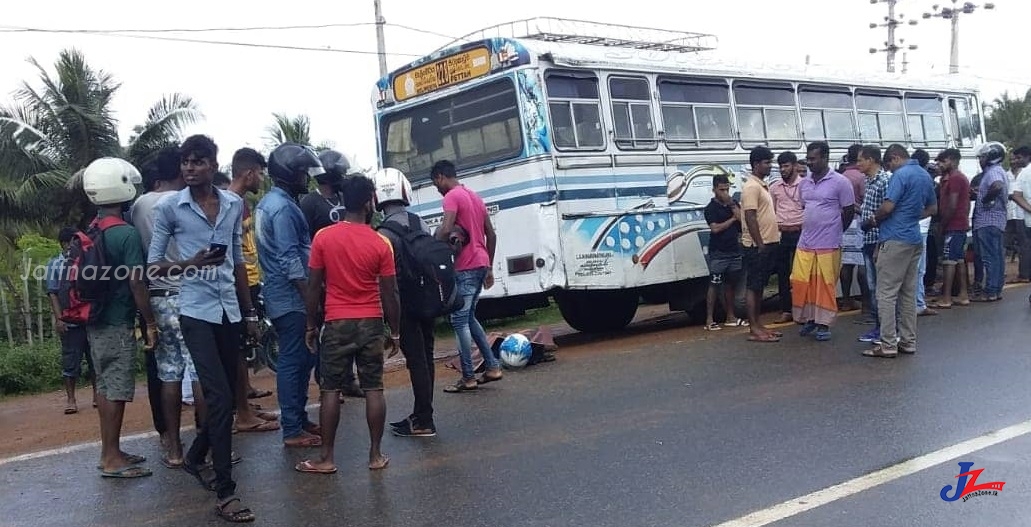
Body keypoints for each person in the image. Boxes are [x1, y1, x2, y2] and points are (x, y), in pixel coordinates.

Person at [148, 135, 258, 522]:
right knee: (220, 398)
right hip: (194, 311)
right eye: (185, 163)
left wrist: (250, 314)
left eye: (197, 162)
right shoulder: (169, 209)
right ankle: (227, 492)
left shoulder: (232, 204)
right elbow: (154, 267)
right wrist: (191, 263)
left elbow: (239, 262)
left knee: (228, 393)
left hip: (229, 310)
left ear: (213, 165)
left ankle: (196, 456)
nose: (189, 168)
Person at [297, 175, 402, 474]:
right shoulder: (381, 243)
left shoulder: (323, 238)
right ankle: (375, 455)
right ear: (370, 201)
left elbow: (313, 286)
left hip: (336, 321)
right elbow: (389, 293)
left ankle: (327, 458)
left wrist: (310, 325)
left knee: (330, 390)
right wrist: (394, 331)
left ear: (343, 201)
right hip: (370, 322)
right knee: (373, 389)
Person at [81, 157, 159, 478]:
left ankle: (109, 451)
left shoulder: (93, 227)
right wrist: (150, 322)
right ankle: (112, 458)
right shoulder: (125, 234)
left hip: (95, 321)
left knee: (104, 384)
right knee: (116, 388)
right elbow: (137, 281)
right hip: (116, 322)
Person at [129, 145, 207, 467]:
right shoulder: (183, 203)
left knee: (170, 373)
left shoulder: (138, 206)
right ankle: (207, 447)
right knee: (202, 371)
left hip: (158, 296)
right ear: (180, 168)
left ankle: (174, 449)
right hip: (190, 293)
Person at [256, 143, 323, 448]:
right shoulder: (282, 208)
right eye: (301, 172)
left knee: (304, 357)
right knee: (294, 359)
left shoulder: (273, 202)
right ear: (289, 173)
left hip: (284, 294)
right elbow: (289, 258)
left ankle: (299, 418)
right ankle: (292, 427)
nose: (306, 178)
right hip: (291, 296)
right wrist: (308, 295)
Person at [373, 168, 440, 437]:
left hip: (405, 304)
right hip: (428, 299)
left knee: (416, 360)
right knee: (427, 355)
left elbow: (385, 282)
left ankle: (425, 420)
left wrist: (390, 323)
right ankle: (422, 412)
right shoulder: (419, 222)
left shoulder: (382, 234)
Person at [430, 160, 503, 392]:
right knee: (469, 318)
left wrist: (430, 246)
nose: (437, 189)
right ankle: (492, 366)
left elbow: (445, 228)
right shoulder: (475, 197)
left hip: (466, 266)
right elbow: (491, 235)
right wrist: (489, 266)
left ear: (441, 177)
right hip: (481, 263)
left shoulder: (451, 197)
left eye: (435, 183)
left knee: (459, 320)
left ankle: (468, 376)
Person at [298, 149, 365, 399]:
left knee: (351, 329)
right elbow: (306, 242)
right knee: (329, 333)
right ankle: (329, 382)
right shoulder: (310, 203)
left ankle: (348, 379)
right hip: (324, 275)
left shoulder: (344, 197)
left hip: (347, 272)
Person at [861, 144, 937, 358]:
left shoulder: (900, 175)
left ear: (894, 158)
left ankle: (887, 344)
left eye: (889, 165)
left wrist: (872, 220)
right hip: (913, 238)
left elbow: (887, 207)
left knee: (885, 293)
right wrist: (911, 217)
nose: (890, 169)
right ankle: (908, 341)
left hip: (894, 239)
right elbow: (932, 208)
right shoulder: (924, 174)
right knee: (907, 293)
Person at [226, 148, 280, 433]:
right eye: (259, 173)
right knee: (238, 346)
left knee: (244, 347)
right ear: (248, 174)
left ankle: (244, 405)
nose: (261, 178)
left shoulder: (241, 203)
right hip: (240, 283)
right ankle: (242, 414)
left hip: (249, 279)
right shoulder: (231, 204)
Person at [792, 141, 856, 341]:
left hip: (828, 244)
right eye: (808, 158)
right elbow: (805, 208)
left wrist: (835, 231)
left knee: (825, 286)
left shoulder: (840, 182)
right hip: (805, 243)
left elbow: (848, 212)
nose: (809, 163)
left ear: (825, 158)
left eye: (813, 158)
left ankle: (823, 324)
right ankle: (810, 319)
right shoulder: (805, 182)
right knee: (802, 282)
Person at [46, 227, 96, 414]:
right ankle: (71, 399)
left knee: (94, 359)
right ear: (64, 244)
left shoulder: (86, 260)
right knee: (70, 361)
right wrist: (60, 319)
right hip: (69, 320)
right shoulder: (54, 264)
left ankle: (96, 395)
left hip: (88, 319)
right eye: (71, 242)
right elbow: (52, 293)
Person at [740, 146, 782, 342]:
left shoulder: (761, 185)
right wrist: (760, 244)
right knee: (753, 286)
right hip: (757, 246)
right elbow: (750, 215)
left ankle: (759, 325)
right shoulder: (751, 187)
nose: (770, 166)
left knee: (759, 287)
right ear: (756, 164)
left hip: (767, 243)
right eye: (767, 163)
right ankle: (754, 328)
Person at [855, 145, 891, 344]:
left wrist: (873, 225)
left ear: (871, 160)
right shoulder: (868, 181)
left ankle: (886, 329)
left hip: (879, 240)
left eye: (861, 160)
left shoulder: (885, 181)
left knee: (881, 287)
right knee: (873, 286)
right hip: (868, 239)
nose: (858, 164)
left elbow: (887, 212)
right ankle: (879, 327)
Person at [702, 174, 745, 331]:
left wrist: (733, 206)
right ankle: (709, 319)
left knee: (730, 285)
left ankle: (731, 317)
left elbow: (742, 220)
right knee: (714, 284)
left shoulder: (732, 204)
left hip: (733, 250)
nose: (725, 192)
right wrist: (732, 220)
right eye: (721, 190)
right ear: (714, 190)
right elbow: (715, 228)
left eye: (727, 189)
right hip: (718, 252)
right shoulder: (711, 208)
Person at [930, 148, 971, 309]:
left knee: (949, 261)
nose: (939, 164)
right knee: (959, 260)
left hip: (953, 224)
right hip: (958, 224)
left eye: (943, 161)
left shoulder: (955, 179)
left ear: (953, 161)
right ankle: (962, 294)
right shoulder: (951, 179)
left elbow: (952, 205)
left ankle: (946, 297)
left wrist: (943, 224)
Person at [769, 151, 805, 323]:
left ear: (795, 166)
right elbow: (772, 211)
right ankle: (786, 310)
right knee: (783, 273)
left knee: (801, 273)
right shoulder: (775, 187)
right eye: (780, 166)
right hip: (782, 234)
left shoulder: (805, 185)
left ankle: (802, 309)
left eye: (786, 166)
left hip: (801, 233)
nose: (783, 169)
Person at [971, 142, 1009, 302]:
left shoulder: (993, 172)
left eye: (983, 157)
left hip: (988, 221)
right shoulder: (998, 170)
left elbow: (997, 186)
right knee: (997, 257)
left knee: (990, 257)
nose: (980, 160)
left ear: (991, 157)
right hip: (996, 221)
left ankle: (991, 291)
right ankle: (996, 289)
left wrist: (986, 199)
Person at [838, 144, 868, 312]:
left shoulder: (842, 176)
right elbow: (865, 200)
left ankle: (846, 300)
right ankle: (865, 302)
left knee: (847, 264)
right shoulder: (861, 177)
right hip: (859, 222)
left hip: (844, 223)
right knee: (862, 263)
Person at [911, 149, 938, 317]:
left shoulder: (905, 176)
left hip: (913, 227)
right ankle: (918, 303)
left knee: (915, 268)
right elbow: (931, 207)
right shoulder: (924, 178)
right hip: (919, 228)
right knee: (918, 268)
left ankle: (917, 303)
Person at [1006, 146, 1031, 282]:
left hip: (1026, 218)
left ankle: (1025, 274)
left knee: (1026, 246)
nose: (1016, 160)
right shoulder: (1022, 173)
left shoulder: (1024, 173)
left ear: (1027, 157)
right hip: (1018, 216)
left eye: (1019, 157)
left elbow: (1015, 196)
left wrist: (1029, 209)